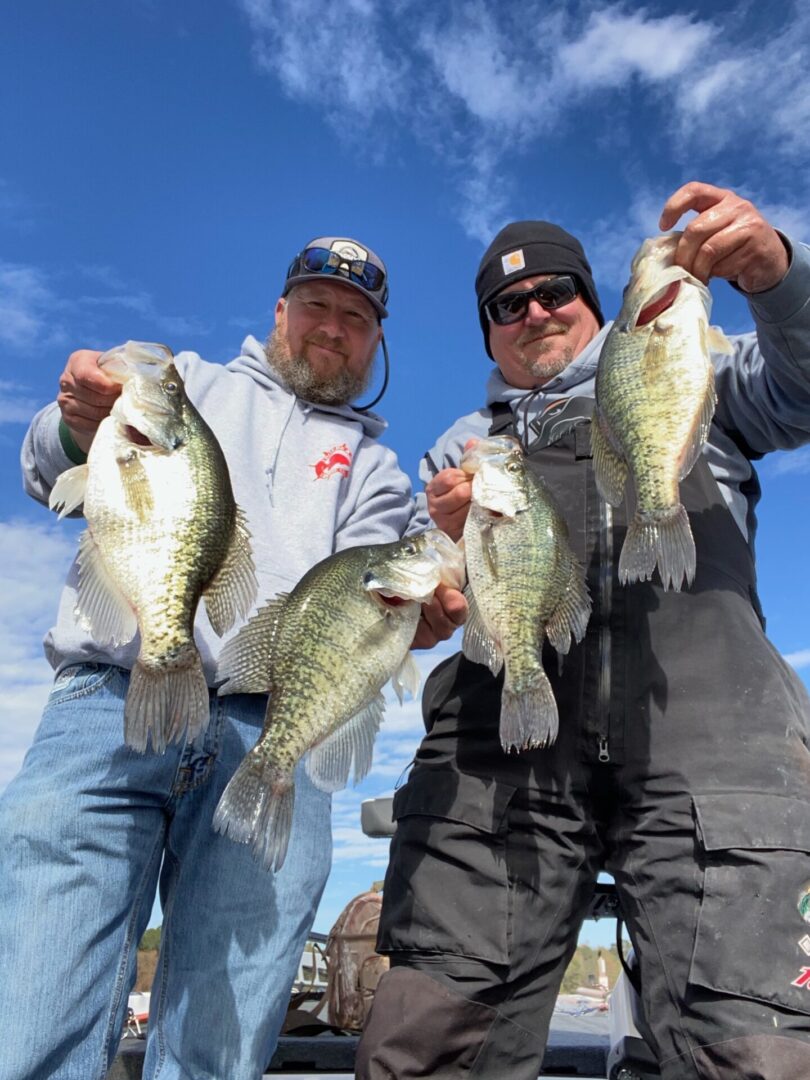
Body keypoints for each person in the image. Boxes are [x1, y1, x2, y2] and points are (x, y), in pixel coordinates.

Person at [357, 183, 810, 1080]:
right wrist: (427, 590)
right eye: (506, 305)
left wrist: (780, 280)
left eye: (556, 291)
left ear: (598, 305)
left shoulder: (699, 367)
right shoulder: (457, 449)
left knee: (755, 1051)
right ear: (488, 331)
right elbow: (421, 604)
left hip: (716, 760)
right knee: (430, 1043)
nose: (534, 312)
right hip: (500, 768)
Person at [0, 235, 465, 1080]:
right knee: (32, 1007)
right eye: (317, 306)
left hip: (269, 726)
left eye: (356, 319)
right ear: (279, 312)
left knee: (222, 1039)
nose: (333, 328)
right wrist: (73, 425)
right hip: (110, 699)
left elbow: (361, 600)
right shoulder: (184, 385)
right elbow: (45, 469)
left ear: (377, 343)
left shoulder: (378, 472)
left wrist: (408, 620)